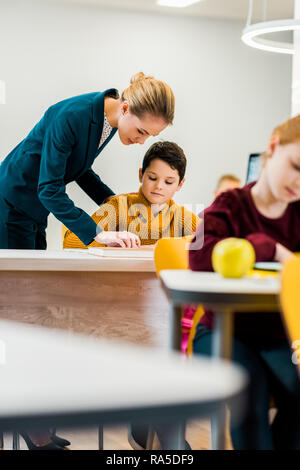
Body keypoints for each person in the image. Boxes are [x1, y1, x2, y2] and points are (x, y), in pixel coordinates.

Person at [0, 72, 174, 450]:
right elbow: (50, 186)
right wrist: (96, 232)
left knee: (34, 316)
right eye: (142, 131)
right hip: (11, 204)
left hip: (33, 211)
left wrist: (119, 210)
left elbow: (81, 173)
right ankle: (29, 426)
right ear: (126, 108)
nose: (142, 141)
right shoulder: (73, 116)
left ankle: (35, 422)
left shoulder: (108, 121)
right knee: (18, 316)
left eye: (150, 136)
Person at [189, 114, 300, 450]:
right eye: (297, 166)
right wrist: (270, 248)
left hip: (281, 336)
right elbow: (200, 256)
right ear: (273, 146)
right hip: (223, 332)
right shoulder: (230, 204)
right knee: (249, 395)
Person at [63, 141, 200, 249]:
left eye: (168, 182)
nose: (159, 186)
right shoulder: (118, 207)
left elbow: (215, 239)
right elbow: (69, 240)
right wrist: (109, 239)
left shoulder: (181, 217)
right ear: (141, 175)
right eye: (152, 178)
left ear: (180, 184)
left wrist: (165, 245)